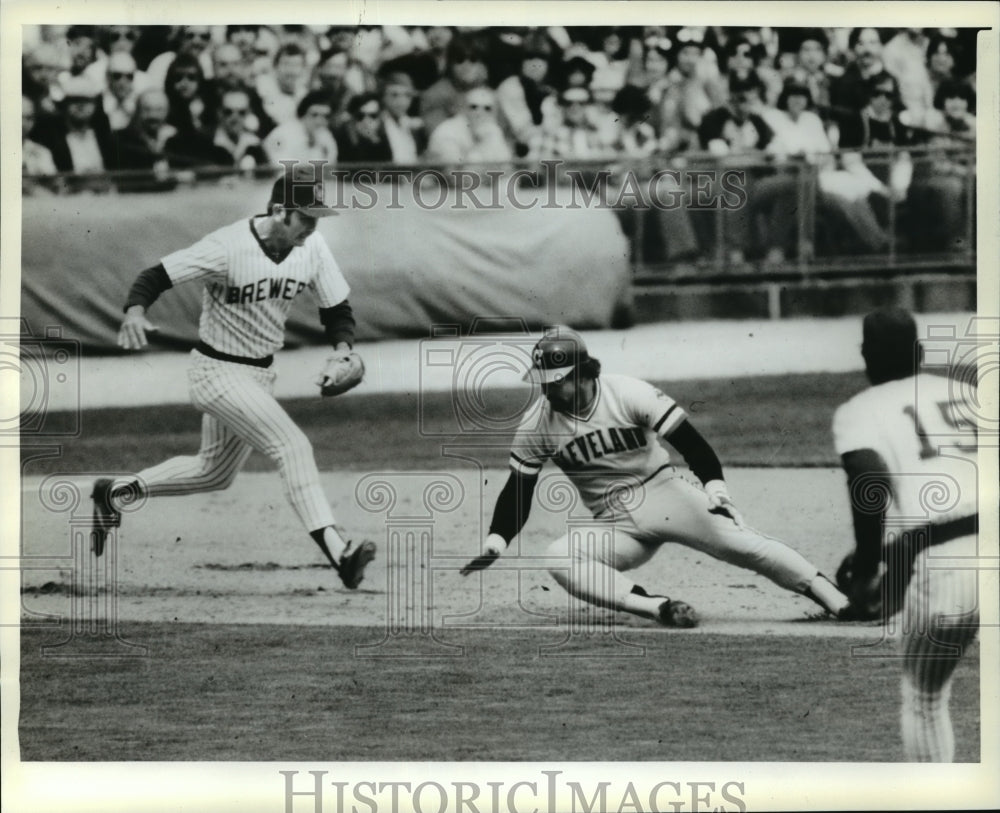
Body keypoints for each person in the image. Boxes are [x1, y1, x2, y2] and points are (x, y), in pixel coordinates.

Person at [90, 167, 377, 590]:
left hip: (258, 375)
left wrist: (342, 349)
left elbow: (336, 309)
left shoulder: (311, 247)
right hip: (215, 371)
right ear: (280, 210)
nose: (313, 225)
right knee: (292, 445)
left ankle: (113, 493)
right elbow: (156, 276)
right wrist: (135, 312)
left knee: (214, 472)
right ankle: (340, 553)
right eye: (306, 216)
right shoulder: (227, 247)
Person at [461, 327, 852, 626]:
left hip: (665, 497)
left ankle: (839, 601)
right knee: (559, 557)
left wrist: (715, 488)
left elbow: (691, 443)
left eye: (557, 380)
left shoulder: (627, 393)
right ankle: (658, 607)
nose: (548, 389)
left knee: (742, 545)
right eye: (544, 381)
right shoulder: (536, 424)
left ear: (581, 371)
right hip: (614, 525)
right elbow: (518, 490)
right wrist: (496, 541)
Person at [832, 307, 980, 761]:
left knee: (925, 699)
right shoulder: (968, 392)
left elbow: (868, 481)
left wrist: (867, 568)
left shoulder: (860, 409)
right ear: (919, 352)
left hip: (950, 568)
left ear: (864, 356)